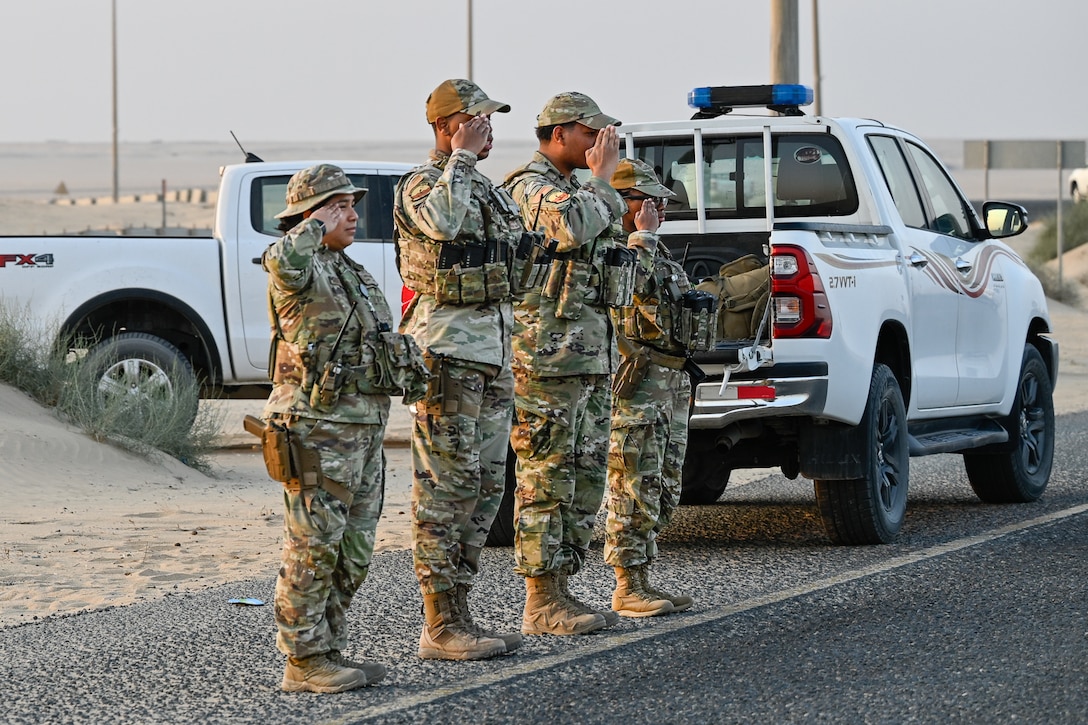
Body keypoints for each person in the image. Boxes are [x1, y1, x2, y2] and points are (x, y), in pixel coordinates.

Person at [263, 164, 424, 693]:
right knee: (313, 546)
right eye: (339, 207)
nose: (351, 215)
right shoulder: (297, 263)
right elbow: (282, 258)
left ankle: (329, 648)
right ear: (312, 216)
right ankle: (302, 660)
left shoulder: (350, 271)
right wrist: (311, 223)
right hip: (316, 429)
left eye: (352, 206)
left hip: (362, 430)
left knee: (353, 548)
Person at [393, 79, 524, 660]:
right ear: (448, 126)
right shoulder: (422, 184)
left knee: (487, 483)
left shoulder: (485, 188)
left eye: (490, 122)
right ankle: (438, 620)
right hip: (446, 352)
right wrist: (462, 159)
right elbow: (443, 225)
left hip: (493, 353)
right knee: (445, 486)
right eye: (478, 121)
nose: (489, 130)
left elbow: (520, 243)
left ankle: (460, 608)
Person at [501, 91, 631, 635]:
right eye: (589, 134)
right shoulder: (528, 187)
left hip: (586, 360)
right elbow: (571, 228)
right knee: (545, 476)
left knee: (582, 478)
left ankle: (563, 589)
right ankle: (540, 598)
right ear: (559, 135)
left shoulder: (576, 188)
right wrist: (602, 177)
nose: (599, 144)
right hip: (546, 361)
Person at [605, 158, 713, 617]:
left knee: (664, 483)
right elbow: (635, 292)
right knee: (633, 481)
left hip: (670, 380)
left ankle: (644, 577)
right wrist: (643, 236)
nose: (658, 210)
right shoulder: (620, 249)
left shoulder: (654, 250)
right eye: (647, 202)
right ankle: (627, 584)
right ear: (623, 203)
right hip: (641, 383)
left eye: (661, 203)